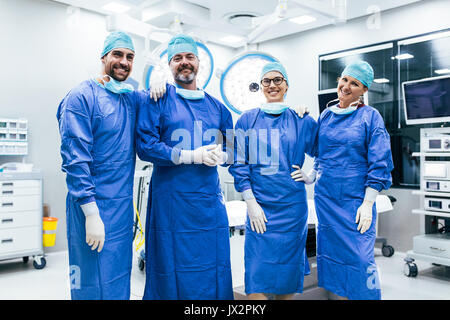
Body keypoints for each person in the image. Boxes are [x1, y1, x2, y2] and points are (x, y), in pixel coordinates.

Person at [57, 31, 163, 300]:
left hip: (120, 208)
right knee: (90, 282)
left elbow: (157, 100)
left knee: (117, 280)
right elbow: (75, 159)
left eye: (130, 57)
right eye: (117, 54)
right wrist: (91, 213)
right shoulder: (80, 98)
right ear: (103, 56)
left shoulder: (129, 98)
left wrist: (160, 77)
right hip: (90, 207)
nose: (124, 62)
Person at [136, 34, 234, 300]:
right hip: (171, 205)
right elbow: (146, 146)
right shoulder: (158, 99)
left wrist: (222, 156)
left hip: (207, 204)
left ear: (199, 62)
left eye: (189, 57)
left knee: (213, 264)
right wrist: (190, 155)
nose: (184, 63)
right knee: (170, 266)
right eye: (177, 58)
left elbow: (234, 147)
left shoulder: (217, 107)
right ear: (170, 65)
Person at [291, 60, 394, 300]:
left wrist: (368, 203)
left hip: (356, 202)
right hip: (327, 200)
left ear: (364, 90)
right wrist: (311, 175)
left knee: (360, 259)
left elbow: (380, 162)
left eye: (355, 84)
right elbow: (321, 153)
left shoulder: (370, 117)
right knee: (332, 257)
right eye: (344, 80)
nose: (347, 87)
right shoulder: (326, 114)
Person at [228, 62, 318, 300]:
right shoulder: (247, 120)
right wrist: (250, 202)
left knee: (287, 275)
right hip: (260, 209)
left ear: (287, 85)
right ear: (260, 87)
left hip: (292, 210)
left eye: (278, 80)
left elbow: (327, 152)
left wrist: (312, 175)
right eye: (266, 81)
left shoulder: (302, 120)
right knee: (257, 275)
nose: (272, 85)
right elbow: (238, 163)